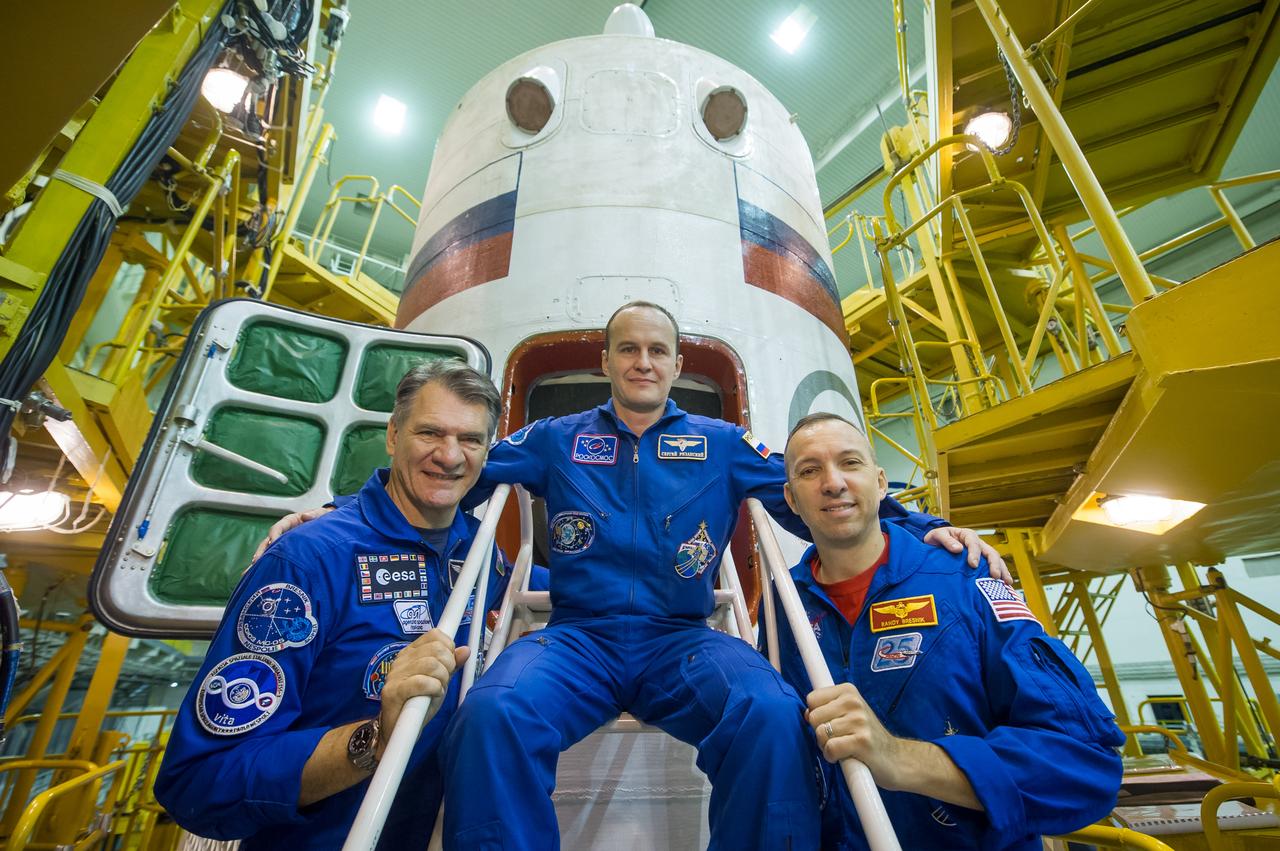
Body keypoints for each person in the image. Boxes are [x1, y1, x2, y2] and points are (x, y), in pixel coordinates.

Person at [257, 301, 1010, 848]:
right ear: (606, 363)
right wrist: (334, 510)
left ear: (677, 365)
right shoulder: (556, 439)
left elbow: (810, 494)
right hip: (575, 639)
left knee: (774, 711)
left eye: (657, 349)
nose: (643, 361)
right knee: (489, 712)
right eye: (627, 349)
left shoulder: (720, 442)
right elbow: (453, 473)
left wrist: (916, 525)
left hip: (682, 640)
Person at [154, 361, 513, 849]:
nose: (449, 456)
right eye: (430, 432)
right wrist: (375, 738)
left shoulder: (482, 552)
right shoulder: (307, 560)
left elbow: (568, 590)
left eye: (471, 440)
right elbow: (199, 782)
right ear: (392, 435)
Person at [766, 412, 1124, 850]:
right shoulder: (780, 608)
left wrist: (901, 758)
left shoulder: (968, 582)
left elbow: (1085, 765)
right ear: (791, 498)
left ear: (881, 483)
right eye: (809, 470)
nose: (833, 482)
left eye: (850, 463)